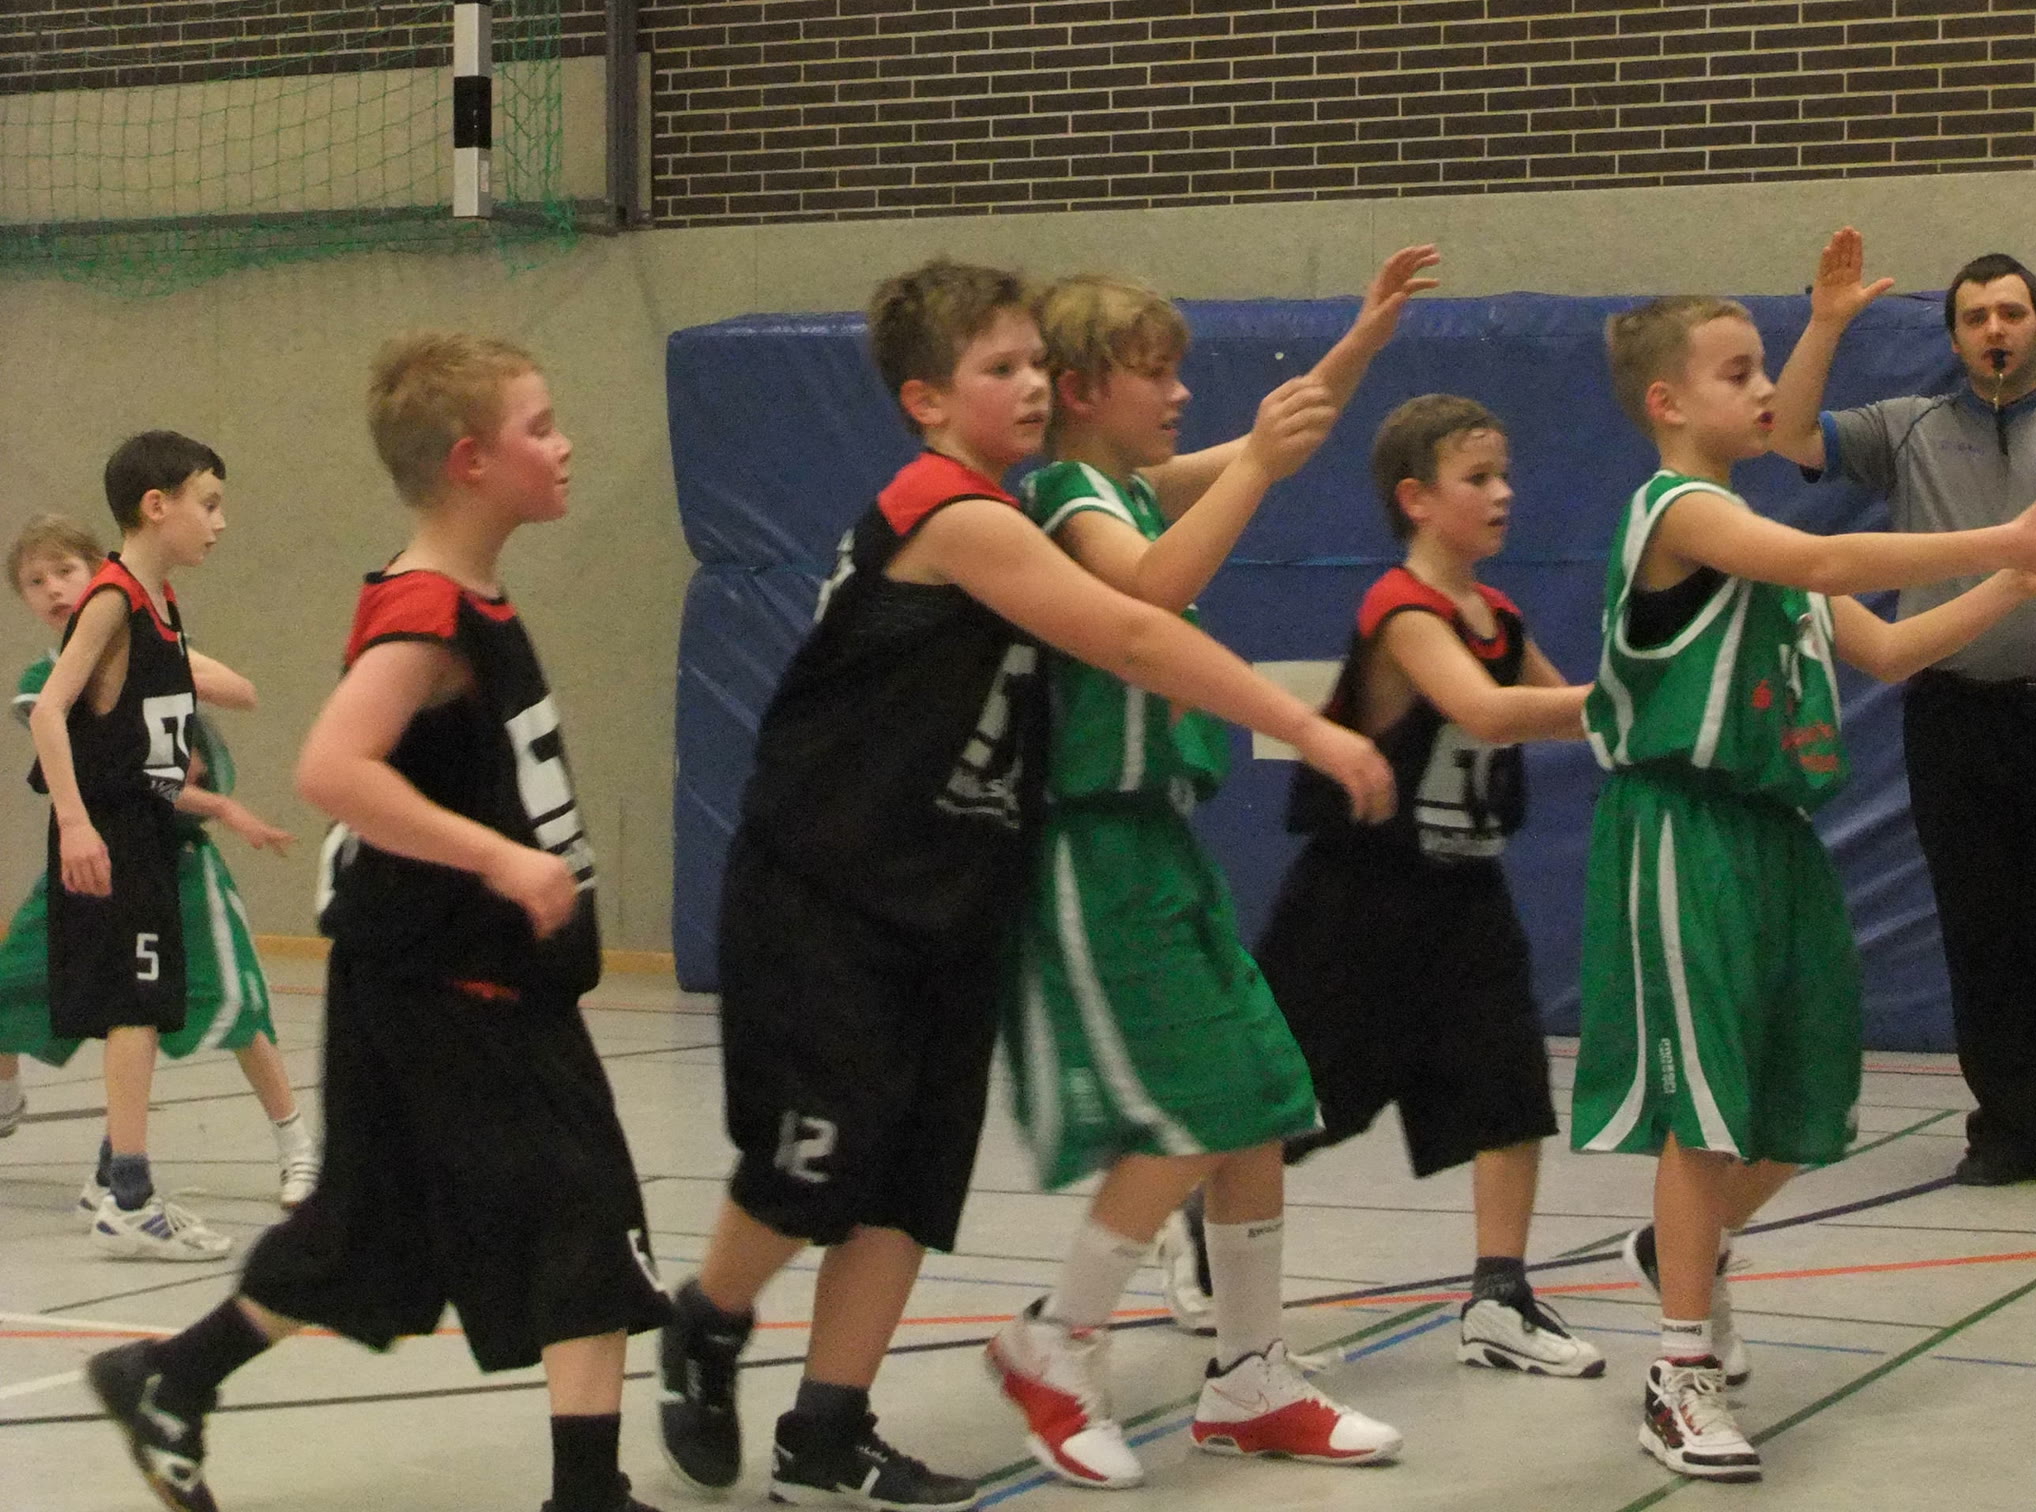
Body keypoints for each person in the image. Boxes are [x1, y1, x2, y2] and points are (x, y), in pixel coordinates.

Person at [655, 257, 1393, 1512]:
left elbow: (1211, 470)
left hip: (949, 883)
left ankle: (826, 1430)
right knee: (815, 1165)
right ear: (924, 400)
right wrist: (1308, 727)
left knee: (910, 1186)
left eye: (1037, 363)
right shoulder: (957, 513)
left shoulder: (1038, 500)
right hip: (830, 883)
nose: (1033, 385)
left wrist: (1347, 354)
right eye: (1000, 368)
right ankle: (709, 1319)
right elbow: (1139, 628)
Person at [85, 334, 674, 1512]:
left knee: (367, 1234)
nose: (565, 445)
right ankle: (587, 1496)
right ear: (469, 462)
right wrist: (501, 857)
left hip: (434, 978)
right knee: (585, 1219)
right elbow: (331, 767)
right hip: (455, 989)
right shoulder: (425, 613)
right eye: (541, 427)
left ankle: (170, 1379)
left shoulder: (468, 598)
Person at [1573, 294, 2036, 1482]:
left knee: (1805, 1097)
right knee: (1705, 1108)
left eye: (1761, 368)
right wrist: (1998, 537)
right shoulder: (1678, 513)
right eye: (1736, 372)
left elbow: (1888, 648)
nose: (1763, 389)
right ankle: (1677, 1372)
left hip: (1777, 834)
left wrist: (2017, 580)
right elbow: (1829, 556)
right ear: (1665, 402)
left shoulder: (1752, 543)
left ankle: (1674, 1251)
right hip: (1682, 825)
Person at [983, 252, 1433, 1489]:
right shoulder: (1065, 497)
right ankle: (1052, 1342)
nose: (1181, 394)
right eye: (1156, 373)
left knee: (1258, 1096)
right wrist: (1252, 467)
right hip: (1088, 849)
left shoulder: (1122, 484)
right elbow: (1152, 587)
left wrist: (1358, 343)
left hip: (1158, 841)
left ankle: (1248, 1379)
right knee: (1189, 1109)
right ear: (1082, 389)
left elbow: (1269, 443)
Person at [1254, 393, 1602, 1382]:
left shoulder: (1501, 617)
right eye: (1477, 478)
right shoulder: (1400, 609)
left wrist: (1655, 695)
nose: (1502, 494)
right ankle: (1198, 1225)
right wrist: (1632, 692)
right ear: (1416, 499)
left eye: (1504, 475)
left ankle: (1498, 1297)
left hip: (1464, 890)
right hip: (1357, 896)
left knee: (1511, 1089)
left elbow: (1569, 712)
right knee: (1302, 1105)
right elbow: (1486, 712)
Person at [1772, 229, 2036, 1187]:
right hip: (1957, 716)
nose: (1994, 328)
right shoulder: (1909, 425)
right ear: (1955, 337)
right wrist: (1824, 324)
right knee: (1980, 925)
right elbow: (1789, 434)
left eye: (2011, 312)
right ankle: (2010, 1125)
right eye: (1975, 317)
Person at [0, 512, 316, 1211]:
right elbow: (114, 767)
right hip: (87, 855)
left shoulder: (148, 635)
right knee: (22, 980)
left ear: (99, 574)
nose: (53, 589)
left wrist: (162, 663)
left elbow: (241, 691)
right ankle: (34, 1114)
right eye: (34, 581)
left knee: (235, 1007)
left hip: (169, 857)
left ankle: (295, 1143)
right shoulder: (46, 680)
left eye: (65, 572)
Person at [25, 436, 246, 1262]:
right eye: (208, 503)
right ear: (157, 505)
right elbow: (49, 712)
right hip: (110, 830)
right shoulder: (112, 598)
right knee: (133, 1010)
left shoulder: (160, 601)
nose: (219, 521)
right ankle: (129, 1199)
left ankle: (112, 1180)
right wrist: (76, 822)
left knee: (144, 1010)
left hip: (149, 829)